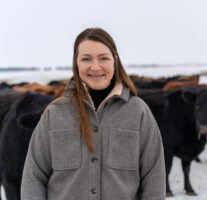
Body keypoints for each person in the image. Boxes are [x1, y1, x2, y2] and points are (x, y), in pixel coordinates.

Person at [21, 28, 166, 200]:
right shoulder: (55, 113)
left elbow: (154, 180)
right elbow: (33, 178)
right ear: (76, 63)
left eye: (103, 58)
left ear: (115, 61)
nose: (95, 67)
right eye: (86, 59)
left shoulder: (139, 112)